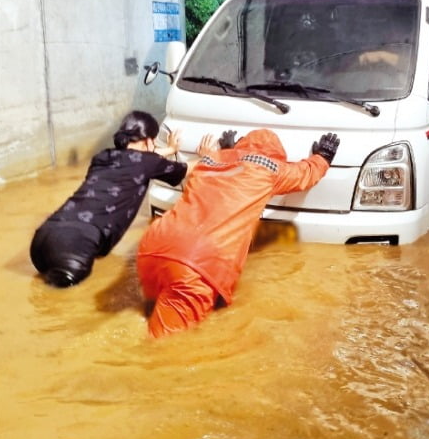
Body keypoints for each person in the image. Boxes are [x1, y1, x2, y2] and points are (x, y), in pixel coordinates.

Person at [136, 128, 340, 338]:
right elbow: (303, 174)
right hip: (195, 264)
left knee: (143, 314)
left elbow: (224, 177)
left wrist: (227, 149)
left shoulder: (209, 161)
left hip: (153, 245)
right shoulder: (268, 168)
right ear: (277, 156)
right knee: (164, 348)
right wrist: (322, 157)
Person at [30, 111, 187, 288]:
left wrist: (169, 150)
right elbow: (184, 169)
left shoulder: (102, 157)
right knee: (61, 304)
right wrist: (209, 156)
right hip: (75, 244)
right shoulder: (148, 162)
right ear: (149, 141)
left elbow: (140, 158)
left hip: (42, 239)